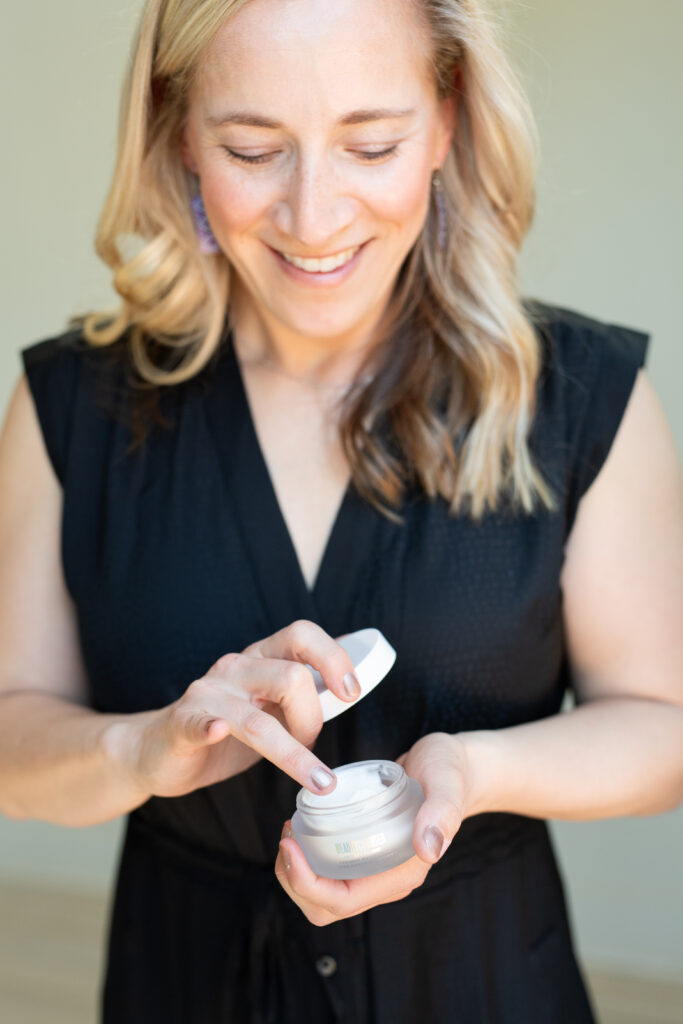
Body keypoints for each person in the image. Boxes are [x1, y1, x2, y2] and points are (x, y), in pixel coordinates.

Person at [0, 0, 681, 1020]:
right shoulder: (70, 406)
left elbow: (664, 729)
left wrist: (472, 769)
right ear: (178, 131)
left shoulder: (582, 399)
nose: (313, 219)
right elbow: (12, 746)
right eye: (251, 149)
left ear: (446, 118)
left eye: (371, 145)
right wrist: (143, 749)